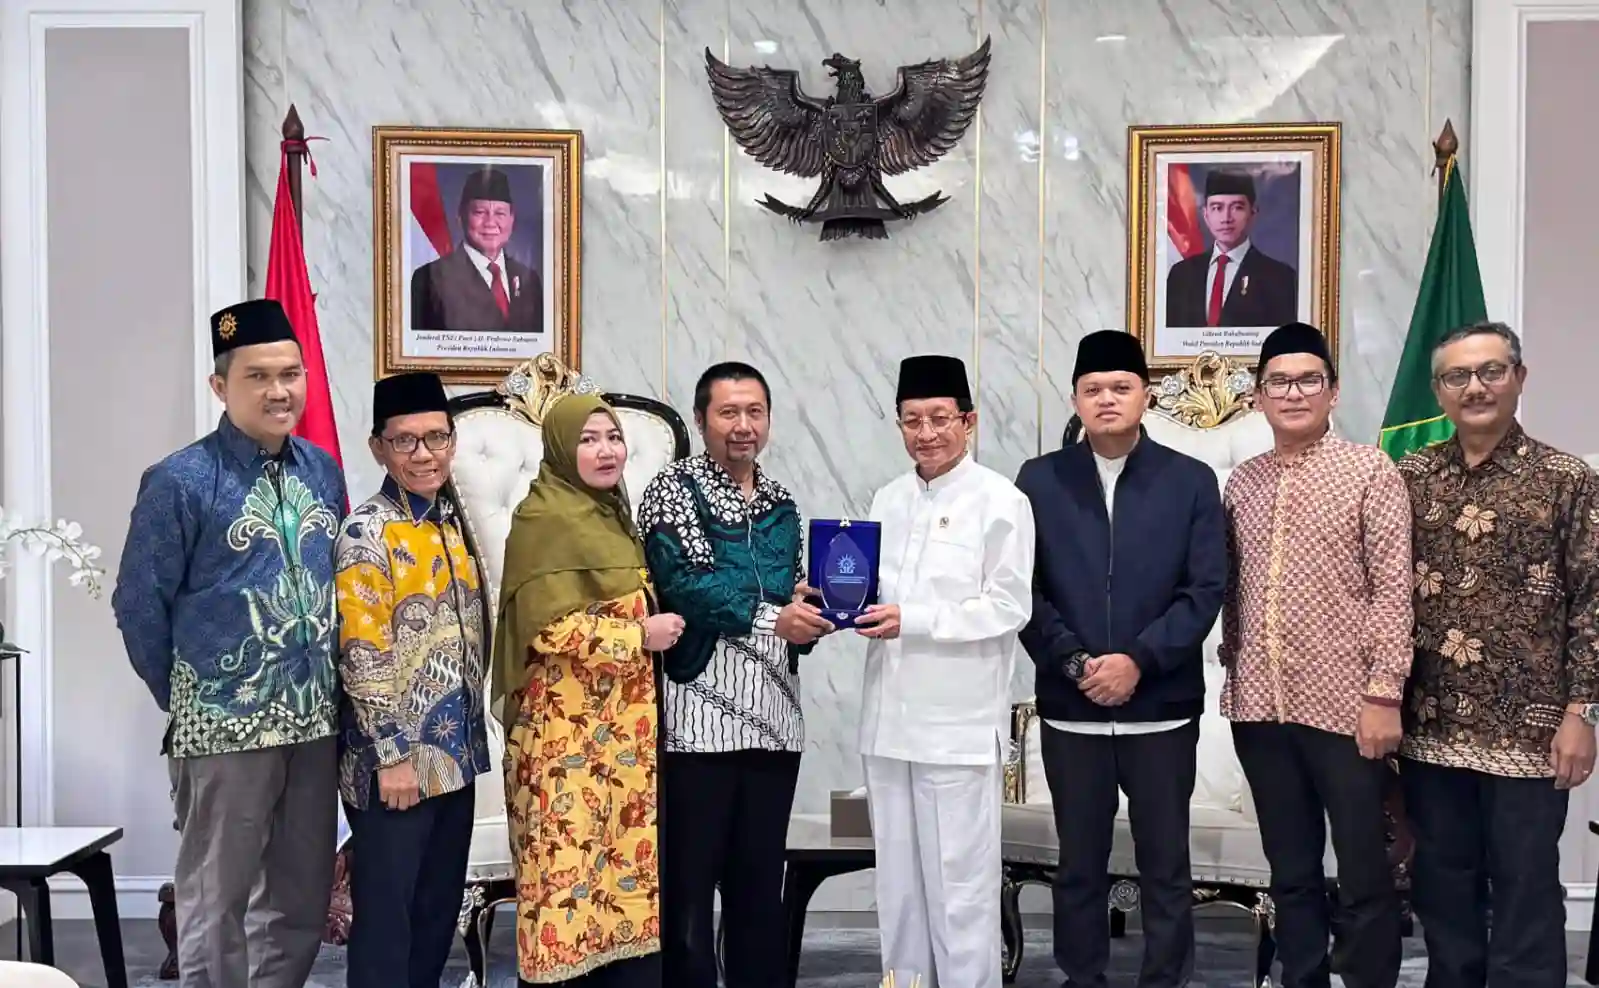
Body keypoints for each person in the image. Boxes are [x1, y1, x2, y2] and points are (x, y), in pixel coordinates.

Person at [112, 299, 347, 988]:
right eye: (258, 376)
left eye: (291, 374)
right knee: (218, 897)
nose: (280, 391)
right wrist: (191, 693)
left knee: (301, 897)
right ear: (221, 386)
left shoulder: (321, 472)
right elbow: (138, 606)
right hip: (222, 727)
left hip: (312, 723)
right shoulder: (180, 481)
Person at [1017, 329, 1226, 988]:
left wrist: (1137, 660)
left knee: (1165, 867)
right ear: (1075, 398)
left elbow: (1203, 590)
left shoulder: (1189, 481)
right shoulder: (1039, 479)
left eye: (1120, 387)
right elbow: (1024, 589)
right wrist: (1076, 662)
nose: (1106, 399)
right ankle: (1084, 978)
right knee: (1078, 864)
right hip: (1070, 709)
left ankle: (1164, 980)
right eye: (1092, 389)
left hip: (1159, 710)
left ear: (1146, 394)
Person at [1397, 320, 1598, 988]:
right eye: (1457, 375)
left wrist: (1582, 712)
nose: (1474, 387)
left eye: (1490, 371)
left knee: (1524, 891)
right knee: (1443, 890)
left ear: (1518, 377)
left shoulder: (1565, 480)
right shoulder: (1410, 476)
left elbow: (1592, 601)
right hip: (1429, 728)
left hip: (1532, 731)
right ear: (1438, 390)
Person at [1220, 321, 1412, 988]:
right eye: (1279, 381)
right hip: (1259, 708)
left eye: (1308, 380)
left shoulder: (1369, 470)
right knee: (1291, 872)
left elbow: (1393, 587)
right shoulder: (1240, 483)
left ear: (1332, 392)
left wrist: (1383, 694)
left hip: (1349, 711)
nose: (1293, 392)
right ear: (1257, 395)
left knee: (1363, 872)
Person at [636, 361, 831, 988]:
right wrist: (777, 615)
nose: (743, 426)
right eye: (728, 412)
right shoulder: (673, 488)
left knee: (757, 885)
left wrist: (814, 602)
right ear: (700, 419)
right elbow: (685, 585)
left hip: (775, 720)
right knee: (689, 889)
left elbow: (779, 588)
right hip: (699, 720)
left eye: (755, 412)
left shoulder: (781, 504)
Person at [858, 355, 1035, 988]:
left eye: (940, 418)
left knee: (961, 888)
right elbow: (870, 593)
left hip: (957, 729)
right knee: (899, 888)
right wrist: (830, 595)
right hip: (888, 722)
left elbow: (1010, 605)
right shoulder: (888, 497)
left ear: (969, 421)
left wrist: (917, 618)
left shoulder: (1001, 501)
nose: (926, 433)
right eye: (912, 420)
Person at [493, 392, 679, 986]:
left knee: (622, 870)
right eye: (589, 439)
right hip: (562, 734)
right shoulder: (543, 517)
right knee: (565, 874)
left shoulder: (613, 515)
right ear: (560, 448)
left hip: (624, 730)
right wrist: (636, 637)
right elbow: (544, 627)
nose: (605, 450)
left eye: (613, 437)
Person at [334, 371, 491, 988]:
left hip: (454, 759)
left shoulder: (453, 524)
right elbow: (362, 653)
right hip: (393, 767)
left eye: (436, 438)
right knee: (386, 925)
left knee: (434, 916)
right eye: (405, 442)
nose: (424, 454)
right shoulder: (366, 533)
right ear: (378, 448)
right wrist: (392, 756)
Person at [410, 165, 543, 334]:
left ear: (512, 219)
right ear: (461, 217)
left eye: (500, 213)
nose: (490, 223)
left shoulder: (529, 281)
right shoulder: (429, 280)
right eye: (480, 212)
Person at [1165, 169, 1298, 329]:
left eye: (1237, 207)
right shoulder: (1181, 275)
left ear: (1253, 213)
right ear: (1205, 214)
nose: (1226, 218)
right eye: (1217, 208)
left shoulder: (1279, 278)